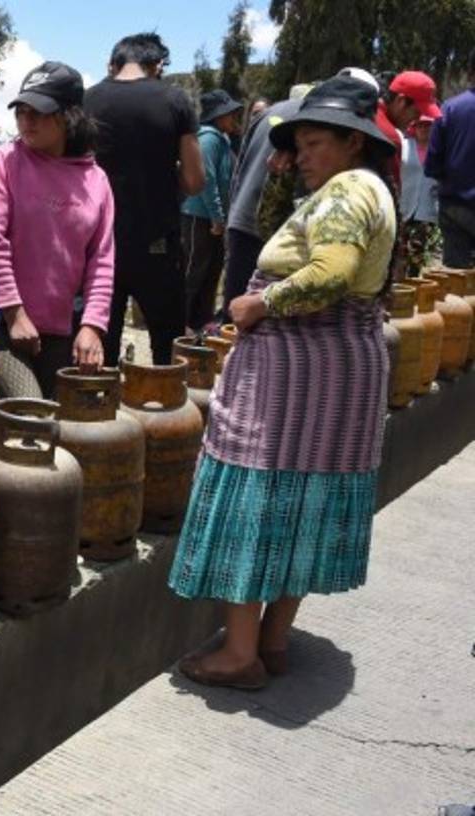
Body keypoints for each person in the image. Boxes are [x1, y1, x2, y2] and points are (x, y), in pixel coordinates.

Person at [169, 76, 397, 690]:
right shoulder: (370, 189)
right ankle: (270, 641)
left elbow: (333, 271)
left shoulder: (349, 192)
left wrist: (258, 305)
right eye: (299, 143)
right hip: (340, 368)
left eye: (316, 142)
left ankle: (239, 653)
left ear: (353, 143)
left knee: (257, 493)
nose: (303, 157)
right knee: (307, 502)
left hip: (296, 373)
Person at [0, 61, 113, 398]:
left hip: (64, 330)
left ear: (69, 116)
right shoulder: (3, 163)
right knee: (32, 416)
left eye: (39, 112)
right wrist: (13, 314)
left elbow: (102, 260)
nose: (26, 121)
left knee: (72, 430)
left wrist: (92, 326)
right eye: (21, 111)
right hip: (4, 327)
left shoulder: (96, 181)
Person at [84, 32, 204, 365]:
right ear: (158, 64)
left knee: (98, 346)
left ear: (114, 63)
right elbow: (195, 181)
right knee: (167, 350)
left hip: (98, 243)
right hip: (157, 242)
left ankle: (98, 410)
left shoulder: (87, 100)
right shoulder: (175, 100)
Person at [220, 86, 310, 322]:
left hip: (242, 217)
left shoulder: (268, 114)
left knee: (235, 306)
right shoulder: (310, 117)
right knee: (257, 313)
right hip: (274, 230)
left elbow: (240, 168)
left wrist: (232, 211)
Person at [181, 89, 243, 332]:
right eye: (230, 114)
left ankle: (199, 323)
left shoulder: (220, 138)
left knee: (209, 272)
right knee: (193, 272)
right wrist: (217, 216)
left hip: (209, 216)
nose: (233, 119)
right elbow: (207, 180)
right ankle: (181, 322)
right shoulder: (208, 138)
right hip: (199, 216)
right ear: (219, 116)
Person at [426, 49, 475, 268]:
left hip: (456, 207)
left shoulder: (450, 108)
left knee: (455, 284)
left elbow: (433, 163)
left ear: (470, 72)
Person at [401, 115, 442, 276]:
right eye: (420, 126)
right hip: (404, 204)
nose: (424, 129)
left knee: (417, 253)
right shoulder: (404, 146)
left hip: (427, 208)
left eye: (428, 126)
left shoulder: (438, 149)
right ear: (414, 128)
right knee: (399, 251)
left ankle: (412, 284)